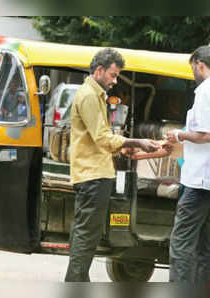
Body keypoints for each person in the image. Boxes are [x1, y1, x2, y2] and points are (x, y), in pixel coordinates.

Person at [65, 48, 160, 282]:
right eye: (113, 75)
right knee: (86, 236)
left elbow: (102, 139)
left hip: (95, 174)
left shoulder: (95, 94)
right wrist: (136, 141)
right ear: (99, 70)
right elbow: (102, 138)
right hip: (93, 176)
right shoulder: (89, 95)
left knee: (87, 236)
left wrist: (126, 147)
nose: (115, 81)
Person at [164, 46, 210, 282]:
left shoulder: (206, 92)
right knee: (203, 245)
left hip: (200, 180)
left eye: (193, 68)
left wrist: (179, 134)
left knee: (181, 243)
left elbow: (206, 135)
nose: (193, 72)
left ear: (199, 64)